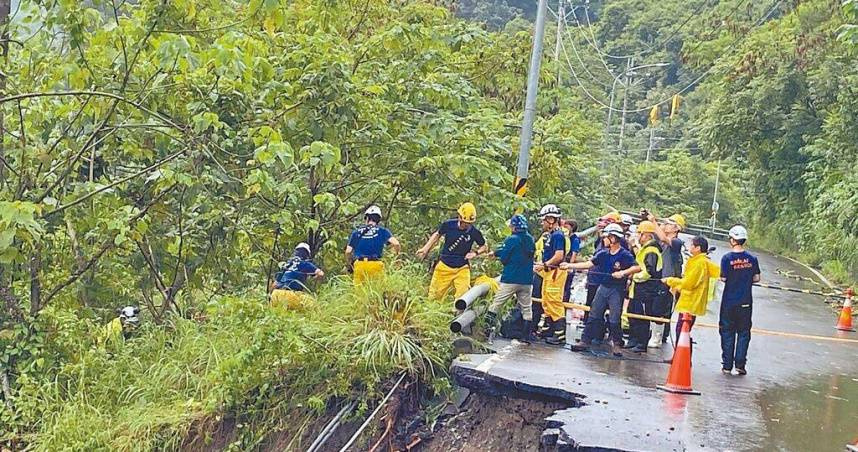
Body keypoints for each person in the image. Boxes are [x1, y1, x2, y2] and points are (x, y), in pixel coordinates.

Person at [563, 223, 640, 356]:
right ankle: (585, 341)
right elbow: (588, 264)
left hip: (616, 289)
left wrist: (623, 273)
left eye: (607, 237)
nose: (604, 239)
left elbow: (637, 267)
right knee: (594, 314)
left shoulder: (625, 255)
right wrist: (569, 265)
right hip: (603, 287)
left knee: (614, 318)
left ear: (614, 238)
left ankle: (617, 344)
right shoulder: (603, 254)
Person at [663, 235, 720, 359]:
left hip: (691, 303)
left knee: (682, 331)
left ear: (698, 248)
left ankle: (681, 358)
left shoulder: (700, 263)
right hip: (689, 301)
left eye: (692, 245)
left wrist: (671, 281)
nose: (690, 247)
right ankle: (680, 357)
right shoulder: (699, 261)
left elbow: (689, 283)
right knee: (682, 330)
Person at [417, 203, 488, 301]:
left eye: (469, 223)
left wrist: (475, 253)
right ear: (459, 217)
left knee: (463, 295)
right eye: (464, 222)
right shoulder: (448, 225)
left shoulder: (474, 232)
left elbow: (484, 246)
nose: (466, 225)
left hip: (462, 267)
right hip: (444, 265)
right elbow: (437, 235)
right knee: (434, 297)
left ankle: (458, 313)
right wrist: (425, 249)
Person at [485, 214, 536, 342]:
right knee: (526, 308)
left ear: (514, 227)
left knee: (496, 304)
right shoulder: (530, 239)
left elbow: (504, 258)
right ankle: (525, 336)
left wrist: (498, 255)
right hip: (527, 280)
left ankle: (486, 330)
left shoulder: (511, 239)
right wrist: (496, 253)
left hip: (511, 279)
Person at [719, 225, 760, 375]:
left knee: (727, 331)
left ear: (732, 240)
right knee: (743, 332)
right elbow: (757, 277)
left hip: (729, 301)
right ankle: (740, 365)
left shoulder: (727, 258)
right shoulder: (752, 259)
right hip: (745, 301)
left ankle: (727, 365)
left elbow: (723, 277)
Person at [624, 221, 670, 353]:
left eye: (640, 233)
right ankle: (633, 340)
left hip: (646, 290)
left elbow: (649, 272)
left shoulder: (652, 251)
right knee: (632, 314)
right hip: (638, 289)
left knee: (642, 317)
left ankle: (641, 342)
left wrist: (634, 277)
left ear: (647, 235)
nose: (638, 235)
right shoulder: (645, 248)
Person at [646, 210, 687, 346]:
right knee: (656, 307)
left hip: (670, 281)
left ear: (677, 228)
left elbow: (663, 238)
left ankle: (657, 337)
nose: (666, 225)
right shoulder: (664, 240)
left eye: (670, 224)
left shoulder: (676, 242)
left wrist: (653, 221)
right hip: (661, 278)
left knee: (660, 309)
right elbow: (657, 235)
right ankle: (658, 335)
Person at [532, 204, 567, 335]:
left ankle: (559, 332)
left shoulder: (558, 235)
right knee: (546, 300)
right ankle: (549, 329)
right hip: (548, 272)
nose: (542, 223)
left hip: (555, 273)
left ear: (551, 220)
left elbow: (559, 255)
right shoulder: (550, 235)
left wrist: (545, 264)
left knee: (553, 301)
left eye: (544, 220)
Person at [345, 205, 401, 284]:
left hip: (359, 265)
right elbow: (396, 243)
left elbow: (348, 251)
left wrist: (350, 265)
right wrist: (396, 256)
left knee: (359, 294)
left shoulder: (356, 232)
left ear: (366, 218)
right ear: (378, 220)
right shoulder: (383, 231)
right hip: (376, 265)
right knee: (377, 293)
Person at [270, 243, 325, 309]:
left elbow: (274, 285)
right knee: (314, 306)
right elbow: (321, 274)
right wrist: (315, 278)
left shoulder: (286, 265)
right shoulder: (305, 264)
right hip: (291, 295)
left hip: (277, 294)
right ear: (307, 255)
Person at [560, 219, 581, 302]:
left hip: (568, 265)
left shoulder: (575, 239)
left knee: (566, 287)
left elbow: (574, 253)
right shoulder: (566, 237)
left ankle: (565, 303)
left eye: (566, 226)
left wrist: (570, 266)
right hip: (564, 264)